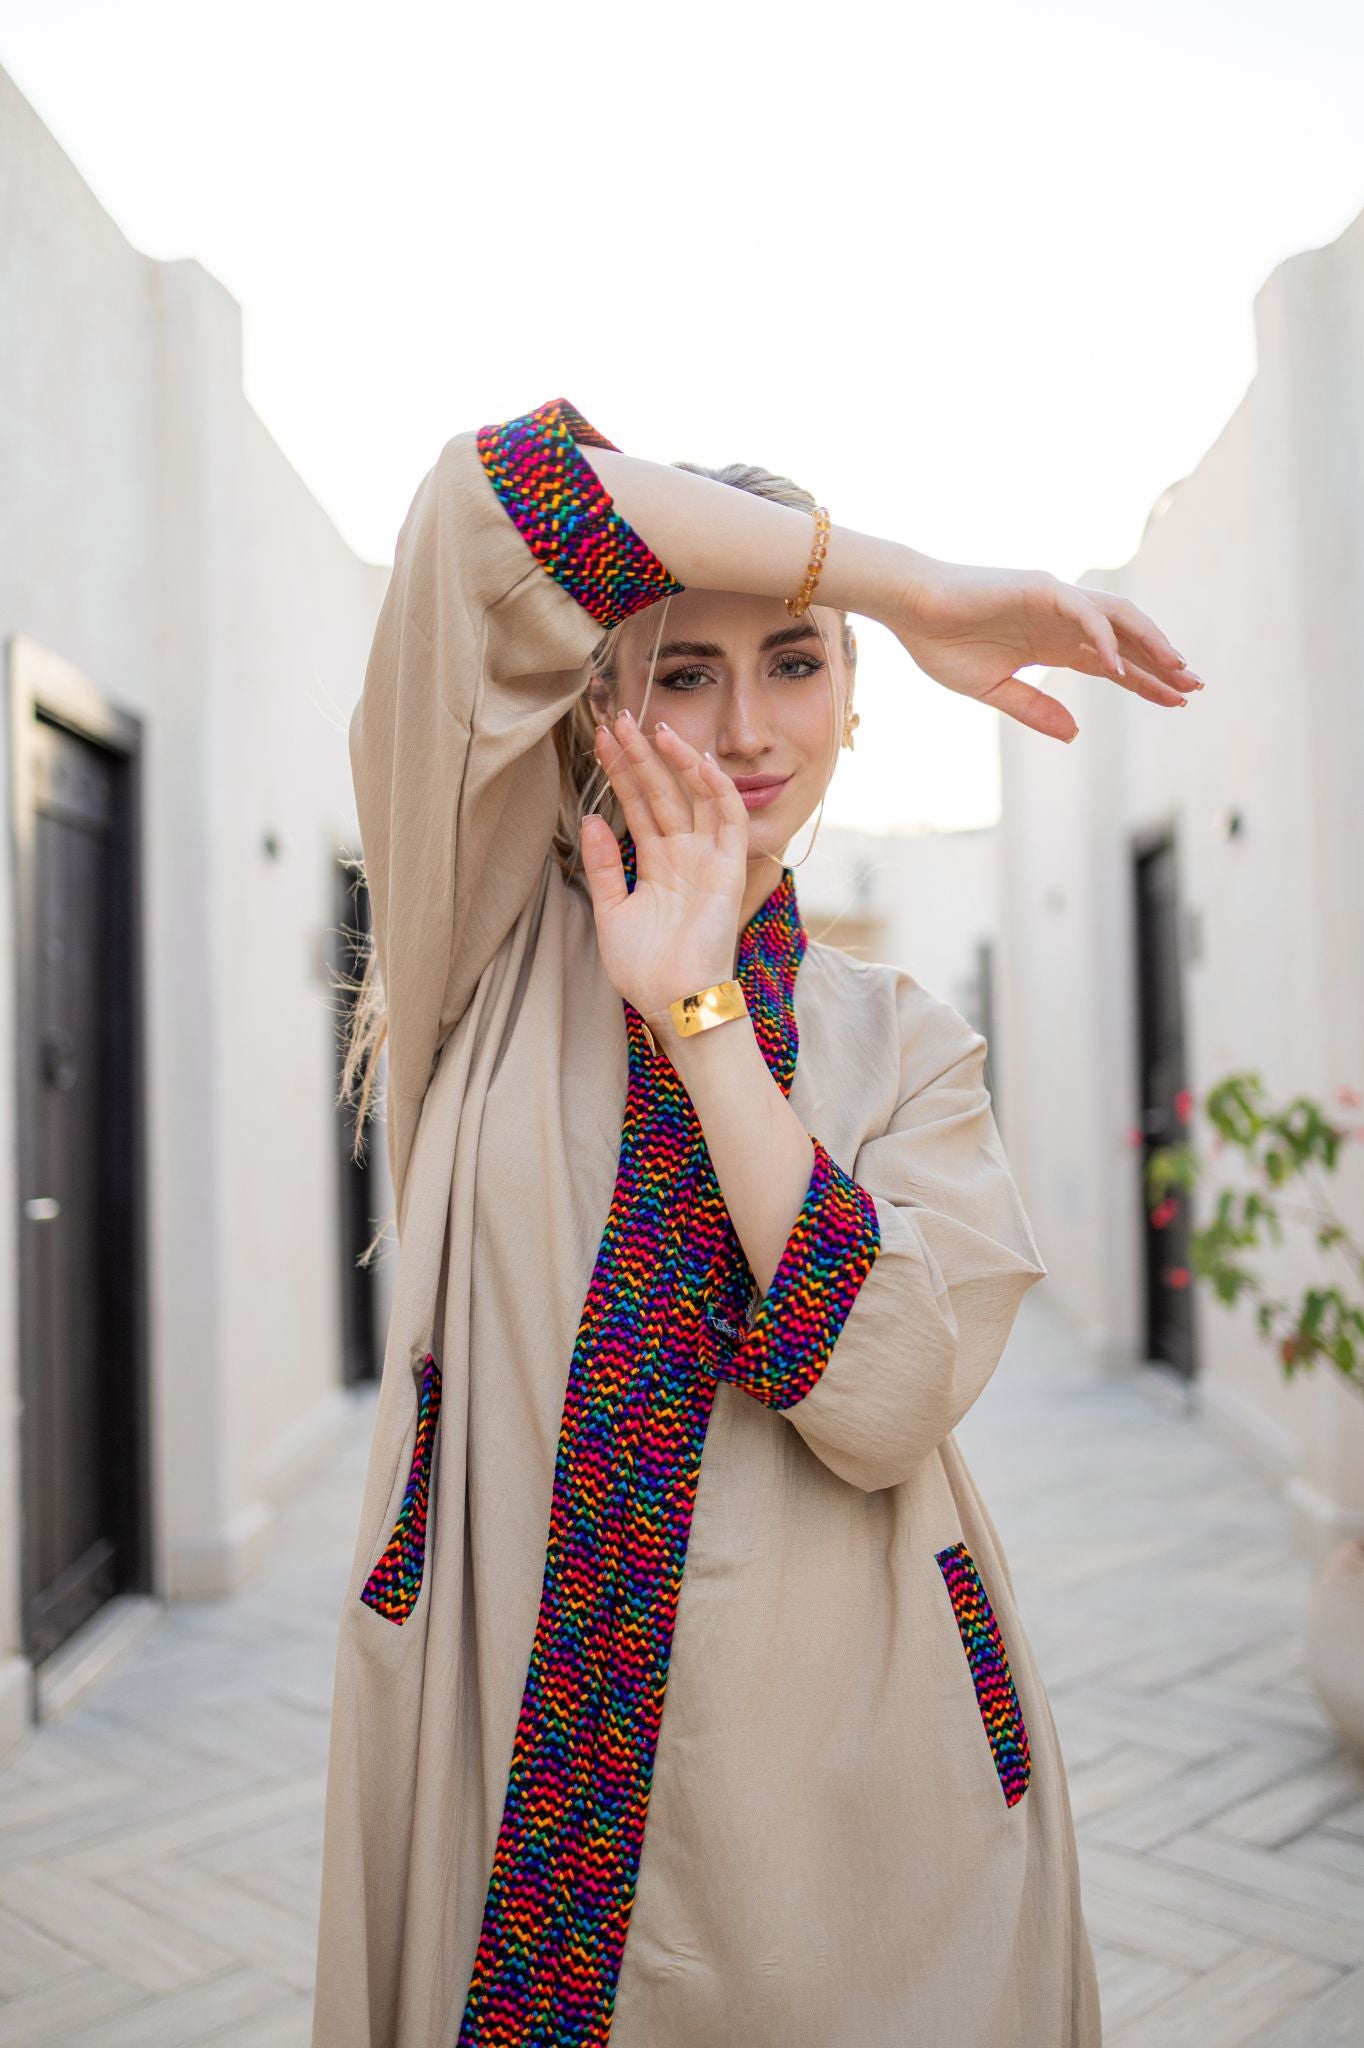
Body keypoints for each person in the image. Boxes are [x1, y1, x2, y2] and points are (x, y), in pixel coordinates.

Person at [311, 396, 1203, 2048]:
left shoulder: (903, 1040)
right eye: (683, 670)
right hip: (519, 1752)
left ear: (854, 706)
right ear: (594, 708)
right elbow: (487, 499)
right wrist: (914, 583)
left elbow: (889, 1391)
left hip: (854, 1787)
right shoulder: (484, 943)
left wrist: (704, 1017)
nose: (746, 727)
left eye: (799, 661)